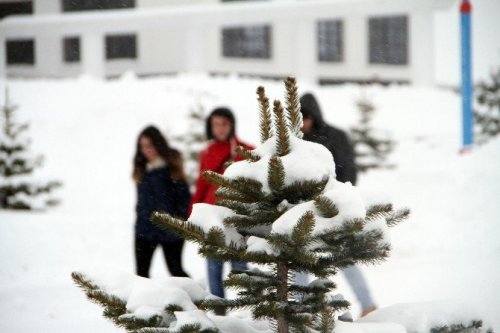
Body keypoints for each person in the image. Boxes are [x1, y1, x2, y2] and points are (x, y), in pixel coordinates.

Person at [298, 93, 377, 317]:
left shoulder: (335, 137)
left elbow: (348, 170)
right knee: (300, 259)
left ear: (313, 116)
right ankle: (301, 306)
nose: (302, 123)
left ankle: (368, 304)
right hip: (305, 211)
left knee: (343, 258)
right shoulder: (297, 141)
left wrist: (336, 197)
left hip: (335, 209)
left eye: (305, 118)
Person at [190, 107, 253, 307]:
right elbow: (201, 184)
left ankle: (250, 311)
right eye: (216, 124)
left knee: (240, 269)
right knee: (213, 270)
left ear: (232, 124)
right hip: (212, 220)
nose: (220, 128)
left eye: (224, 123)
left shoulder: (244, 150)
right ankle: (219, 314)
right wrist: (192, 213)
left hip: (235, 218)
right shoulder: (207, 152)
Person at [133, 126, 191, 278]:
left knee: (176, 271)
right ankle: (143, 302)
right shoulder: (141, 169)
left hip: (170, 230)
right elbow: (141, 201)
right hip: (144, 231)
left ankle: (196, 300)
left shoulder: (171, 168)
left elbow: (184, 199)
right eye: (142, 146)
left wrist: (177, 222)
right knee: (141, 275)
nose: (146, 150)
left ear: (158, 144)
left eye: (149, 145)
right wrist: (141, 215)